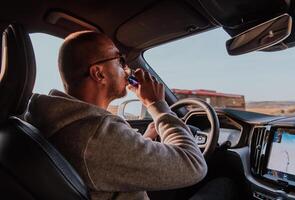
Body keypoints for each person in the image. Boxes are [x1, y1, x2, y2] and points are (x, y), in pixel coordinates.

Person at [24, 31, 207, 200]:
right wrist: (157, 105)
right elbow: (193, 164)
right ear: (99, 73)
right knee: (224, 182)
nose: (127, 69)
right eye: (120, 60)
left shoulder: (62, 123)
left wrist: (144, 139)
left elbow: (106, 160)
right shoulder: (95, 133)